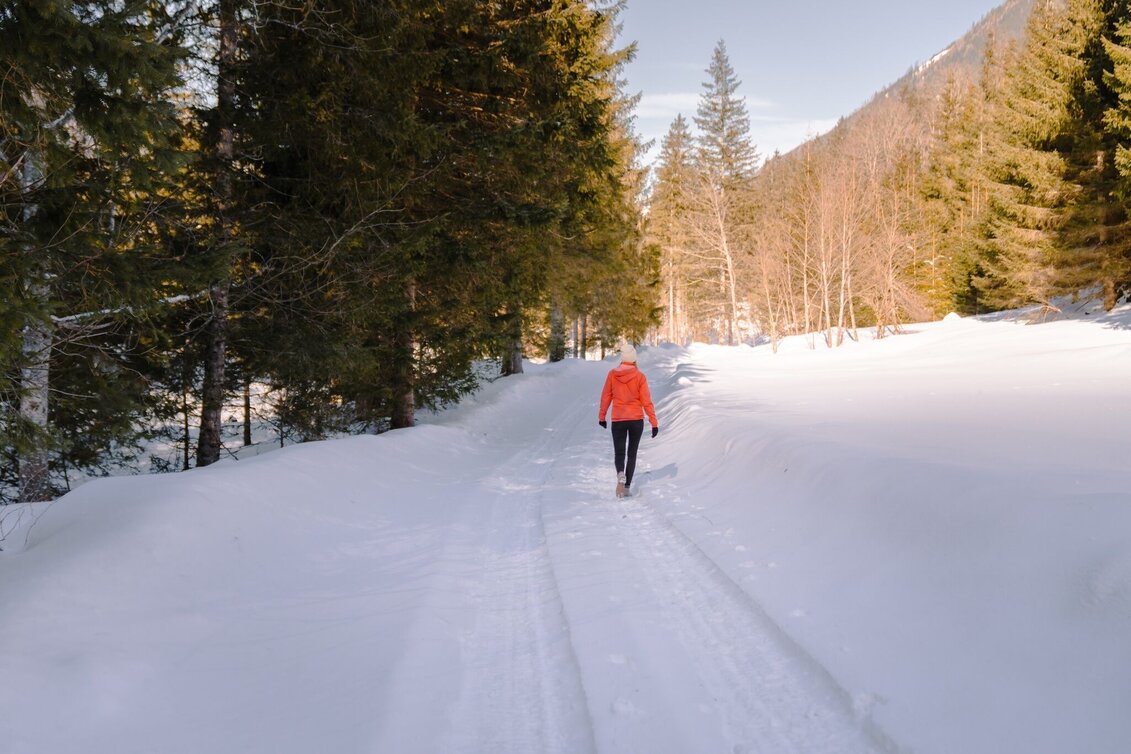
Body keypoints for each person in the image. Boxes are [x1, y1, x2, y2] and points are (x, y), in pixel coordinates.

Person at [598, 342, 659, 498]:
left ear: (622, 359)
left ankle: (620, 474)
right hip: (636, 420)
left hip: (618, 419)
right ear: (634, 359)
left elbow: (606, 396)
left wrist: (602, 416)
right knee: (632, 454)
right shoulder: (640, 377)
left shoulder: (612, 374)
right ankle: (626, 488)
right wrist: (654, 422)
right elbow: (646, 401)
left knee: (619, 453)